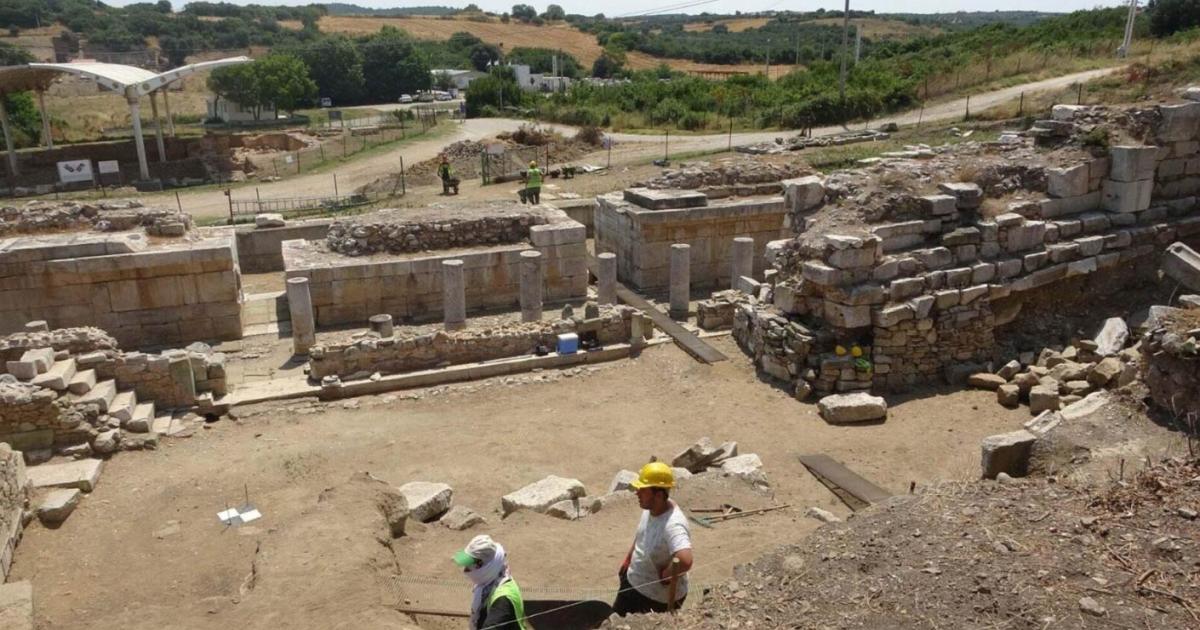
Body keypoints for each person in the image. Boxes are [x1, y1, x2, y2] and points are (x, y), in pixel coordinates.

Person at [612, 462, 693, 615]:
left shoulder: (673, 524)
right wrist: (628, 559)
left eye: (643, 490)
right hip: (633, 584)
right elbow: (642, 534)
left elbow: (685, 559)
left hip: (653, 599)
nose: (637, 492)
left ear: (659, 495)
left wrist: (665, 576)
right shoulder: (652, 508)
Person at [454, 535, 528, 630]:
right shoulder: (491, 583)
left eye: (469, 566)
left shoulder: (502, 600)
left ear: (485, 566)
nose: (466, 570)